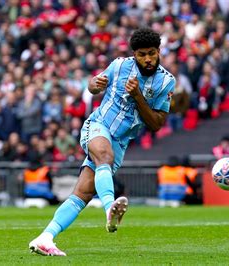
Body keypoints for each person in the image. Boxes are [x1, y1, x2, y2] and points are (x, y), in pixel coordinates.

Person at [29, 28, 175, 256]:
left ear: (159, 51)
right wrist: (93, 84)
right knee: (104, 157)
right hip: (98, 126)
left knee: (83, 194)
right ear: (134, 54)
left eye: (152, 53)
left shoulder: (166, 82)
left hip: (121, 141)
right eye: (141, 54)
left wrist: (138, 96)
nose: (147, 59)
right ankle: (110, 209)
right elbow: (93, 85)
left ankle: (45, 237)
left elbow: (156, 123)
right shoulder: (118, 66)